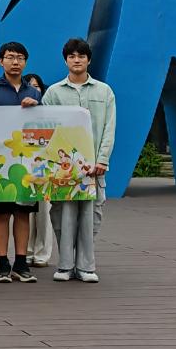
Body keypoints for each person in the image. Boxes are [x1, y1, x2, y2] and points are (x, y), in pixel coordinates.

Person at [42, 38, 116, 283]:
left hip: (93, 169)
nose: (76, 60)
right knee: (62, 216)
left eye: (81, 56)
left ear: (88, 60)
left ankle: (86, 267)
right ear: (65, 60)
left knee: (90, 217)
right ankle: (65, 266)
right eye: (72, 56)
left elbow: (109, 128)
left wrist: (102, 160)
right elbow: (46, 129)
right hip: (64, 170)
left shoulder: (104, 91)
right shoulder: (54, 93)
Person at [0, 41, 42, 283]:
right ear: (1, 61)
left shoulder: (34, 92)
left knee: (23, 212)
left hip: (27, 163)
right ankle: (2, 263)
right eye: (10, 57)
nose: (15, 62)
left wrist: (36, 107)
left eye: (20, 58)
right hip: (0, 162)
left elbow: (43, 126)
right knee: (2, 213)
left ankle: (21, 263)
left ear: (25, 62)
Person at [23, 72, 55, 268]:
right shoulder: (17, 111)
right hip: (24, 167)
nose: (33, 89)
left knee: (44, 212)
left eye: (37, 86)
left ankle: (42, 253)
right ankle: (26, 251)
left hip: (45, 166)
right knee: (25, 211)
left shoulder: (48, 112)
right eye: (29, 86)